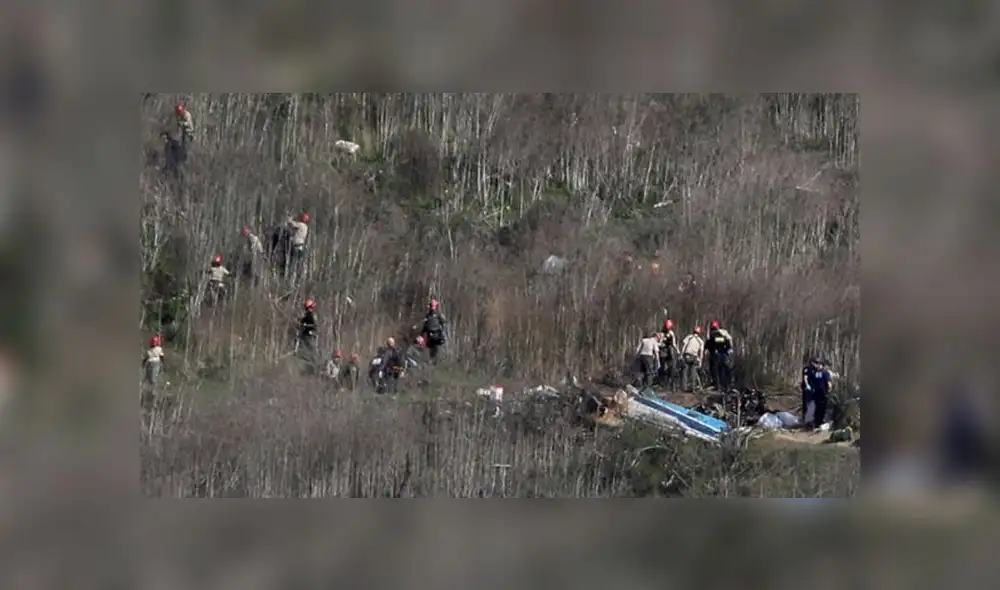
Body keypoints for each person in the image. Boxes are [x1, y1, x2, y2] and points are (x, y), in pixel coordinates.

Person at [803, 357, 835, 429]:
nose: (818, 365)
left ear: (822, 365)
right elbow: (814, 382)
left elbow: (828, 383)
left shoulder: (825, 373)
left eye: (819, 364)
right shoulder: (817, 373)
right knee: (818, 408)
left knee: (821, 408)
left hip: (822, 393)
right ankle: (817, 422)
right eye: (817, 364)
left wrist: (829, 390)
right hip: (817, 393)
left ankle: (818, 422)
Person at [705, 319, 734, 391]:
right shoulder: (724, 336)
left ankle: (717, 386)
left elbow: (708, 345)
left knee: (715, 371)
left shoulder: (712, 335)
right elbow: (728, 344)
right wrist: (727, 350)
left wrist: (706, 349)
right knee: (724, 371)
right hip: (724, 355)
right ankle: (726, 386)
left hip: (715, 356)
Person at [420, 298, 449, 363]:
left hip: (437, 334)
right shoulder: (428, 316)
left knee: (436, 349)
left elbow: (444, 323)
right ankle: (430, 361)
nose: (432, 307)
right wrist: (422, 334)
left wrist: (443, 333)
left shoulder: (439, 314)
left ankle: (436, 360)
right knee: (429, 348)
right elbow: (425, 325)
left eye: (433, 306)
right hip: (429, 335)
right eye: (431, 306)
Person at [285, 211, 310, 281]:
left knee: (293, 265)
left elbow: (292, 224)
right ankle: (298, 279)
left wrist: (289, 218)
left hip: (296, 247)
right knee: (297, 265)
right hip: (300, 247)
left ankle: (291, 280)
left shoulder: (301, 225)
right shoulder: (305, 227)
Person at [679, 326, 705, 392]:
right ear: (699, 333)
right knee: (693, 372)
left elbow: (684, 346)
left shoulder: (689, 337)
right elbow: (701, 352)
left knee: (685, 371)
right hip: (695, 357)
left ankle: (684, 387)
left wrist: (681, 355)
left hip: (687, 355)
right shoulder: (701, 341)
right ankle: (693, 388)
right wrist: (700, 361)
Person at [657, 319, 680, 390]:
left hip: (664, 352)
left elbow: (659, 343)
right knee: (669, 367)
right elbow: (674, 344)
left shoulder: (661, 333)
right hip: (668, 351)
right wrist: (678, 351)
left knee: (662, 367)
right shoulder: (670, 333)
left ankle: (663, 383)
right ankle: (669, 383)